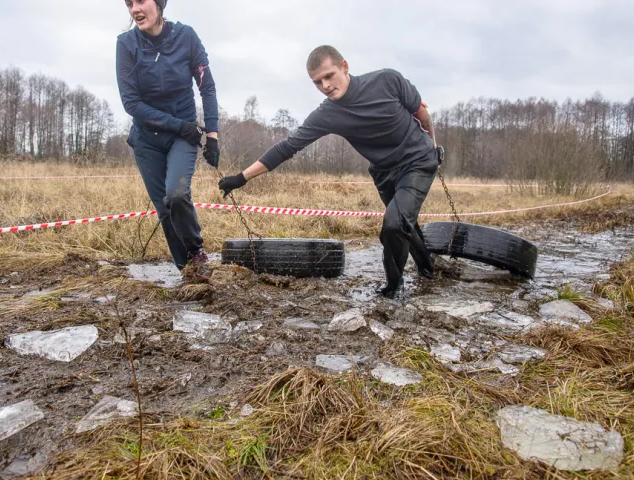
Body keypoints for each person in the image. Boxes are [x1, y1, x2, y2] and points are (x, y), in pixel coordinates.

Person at [218, 45, 442, 298]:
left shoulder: (387, 80)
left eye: (329, 76)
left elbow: (421, 113)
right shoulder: (327, 114)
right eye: (317, 82)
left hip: (418, 159)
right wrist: (241, 177)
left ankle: (392, 290)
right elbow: (287, 147)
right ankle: (429, 270)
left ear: (344, 67)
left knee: (394, 224)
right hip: (383, 171)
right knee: (403, 225)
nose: (325, 85)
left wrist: (433, 146)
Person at [116, 0, 220, 283]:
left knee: (175, 195)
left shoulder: (186, 37)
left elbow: (206, 86)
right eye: (129, 3)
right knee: (163, 209)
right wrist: (179, 125)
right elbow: (131, 103)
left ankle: (197, 253)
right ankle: (189, 273)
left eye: (141, 1)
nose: (135, 9)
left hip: (181, 138)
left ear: (160, 4)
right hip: (148, 138)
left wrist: (212, 134)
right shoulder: (126, 44)